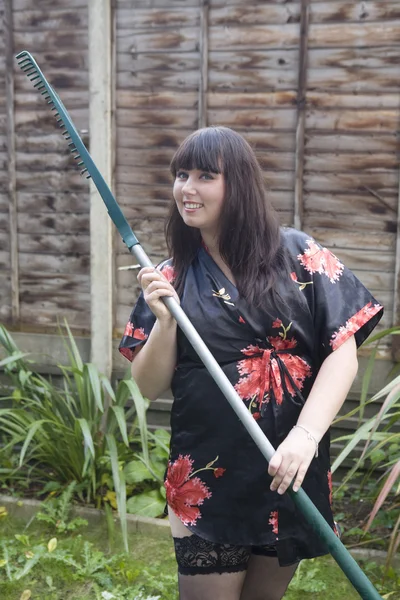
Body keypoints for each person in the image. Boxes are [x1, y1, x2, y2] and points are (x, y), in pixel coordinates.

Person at [119, 126, 383, 600]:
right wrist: (164, 321)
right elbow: (146, 385)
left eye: (204, 175)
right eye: (181, 174)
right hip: (209, 474)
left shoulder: (298, 254)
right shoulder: (171, 276)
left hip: (288, 467)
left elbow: (343, 352)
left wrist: (305, 438)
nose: (187, 188)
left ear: (236, 183)